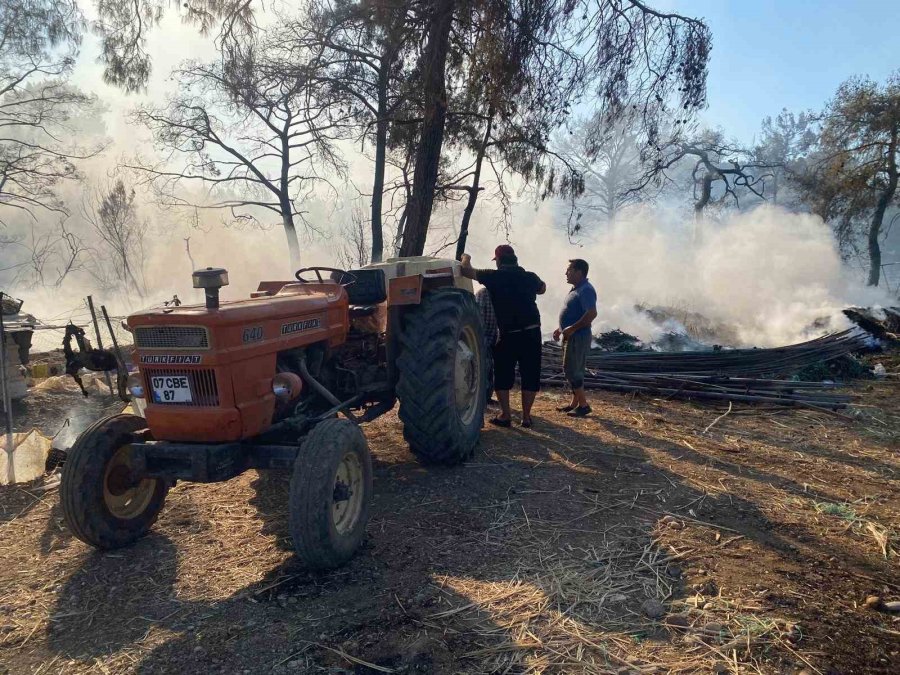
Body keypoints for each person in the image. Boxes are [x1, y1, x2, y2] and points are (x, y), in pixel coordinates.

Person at [461, 245, 546, 428]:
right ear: (515, 259)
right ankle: (526, 417)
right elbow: (542, 289)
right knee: (530, 374)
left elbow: (466, 271)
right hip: (532, 331)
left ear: (498, 261)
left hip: (509, 333)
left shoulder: (494, 276)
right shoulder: (529, 276)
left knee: (502, 374)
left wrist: (465, 257)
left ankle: (505, 415)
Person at [553, 259, 597, 417]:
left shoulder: (586, 290)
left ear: (579, 272)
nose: (566, 273)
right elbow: (573, 313)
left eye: (569, 270)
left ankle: (583, 405)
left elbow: (591, 313)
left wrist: (572, 328)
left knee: (572, 370)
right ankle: (574, 404)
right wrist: (560, 329)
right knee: (574, 369)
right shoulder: (576, 289)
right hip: (572, 335)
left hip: (578, 336)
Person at [475, 287, 498, 404]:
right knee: (484, 368)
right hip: (483, 337)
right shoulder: (483, 294)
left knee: (491, 369)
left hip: (495, 338)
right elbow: (478, 317)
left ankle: (487, 397)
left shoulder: (500, 293)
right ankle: (482, 398)